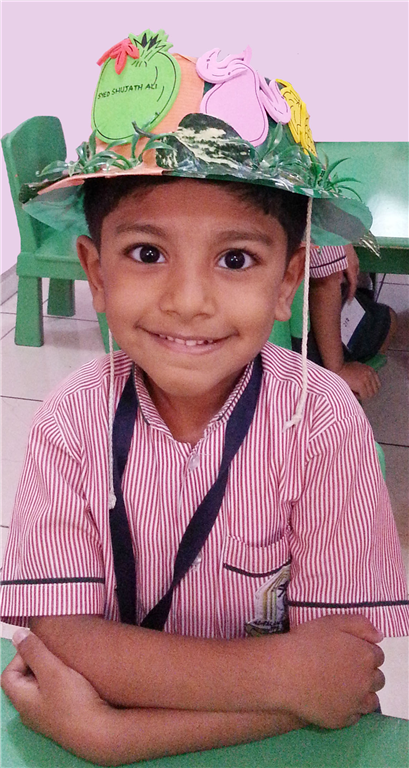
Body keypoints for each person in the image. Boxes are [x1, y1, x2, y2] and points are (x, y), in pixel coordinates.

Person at [1, 29, 408, 766]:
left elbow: (343, 673)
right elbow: (61, 633)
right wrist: (282, 680)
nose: (188, 301)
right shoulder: (69, 422)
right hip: (276, 722)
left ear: (287, 281)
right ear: (96, 271)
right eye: (147, 253)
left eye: (236, 258)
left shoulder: (322, 423)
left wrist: (112, 725)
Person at [294, 244, 397, 399]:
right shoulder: (324, 231)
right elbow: (324, 282)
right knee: (388, 319)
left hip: (279, 332)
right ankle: (344, 397)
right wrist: (338, 369)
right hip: (300, 342)